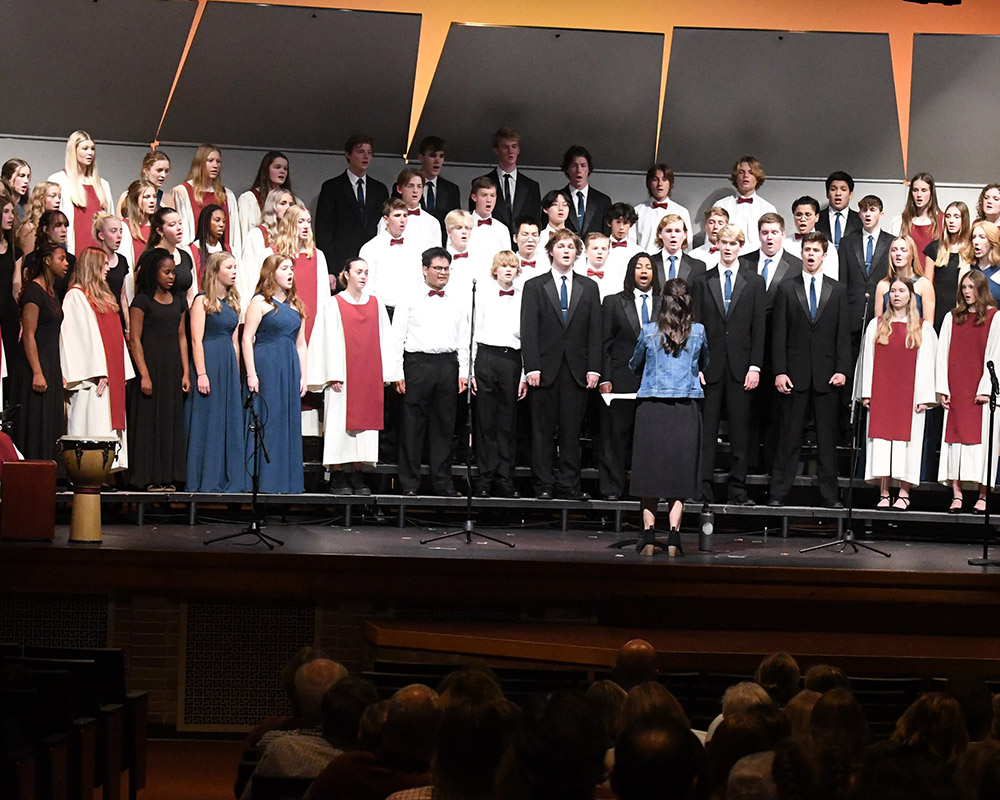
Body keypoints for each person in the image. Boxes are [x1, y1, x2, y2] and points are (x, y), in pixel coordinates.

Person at [769, 233, 852, 508]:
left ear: (824, 255)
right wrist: (779, 371)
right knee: (788, 437)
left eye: (816, 250)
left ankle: (830, 495)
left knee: (827, 440)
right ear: (802, 253)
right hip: (794, 374)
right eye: (807, 250)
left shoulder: (837, 290)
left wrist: (843, 369)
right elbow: (778, 334)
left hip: (828, 375)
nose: (811, 254)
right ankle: (778, 492)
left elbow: (843, 335)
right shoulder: (786, 288)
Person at [521, 229, 602, 500]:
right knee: (542, 431)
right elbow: (529, 329)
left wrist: (594, 367)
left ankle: (569, 485)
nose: (566, 251)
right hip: (544, 369)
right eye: (561, 246)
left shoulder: (589, 287)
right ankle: (543, 485)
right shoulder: (534, 286)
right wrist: (531, 366)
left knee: (571, 431)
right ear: (550, 251)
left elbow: (595, 331)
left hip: (577, 370)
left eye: (571, 247)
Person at [628, 278, 708, 555]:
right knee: (678, 475)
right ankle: (674, 538)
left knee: (649, 473)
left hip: (652, 408)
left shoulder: (649, 331)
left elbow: (635, 364)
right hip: (685, 409)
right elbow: (704, 362)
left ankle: (649, 537)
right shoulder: (697, 332)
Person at [307, 258, 399, 495]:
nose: (363, 276)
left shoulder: (375, 303)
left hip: (368, 374)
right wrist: (331, 373)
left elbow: (385, 338)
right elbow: (324, 339)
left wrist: (386, 373)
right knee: (339, 425)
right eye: (359, 272)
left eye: (366, 272)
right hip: (343, 376)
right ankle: (339, 474)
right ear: (346, 274)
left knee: (365, 431)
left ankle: (358, 474)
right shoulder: (333, 304)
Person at [696, 224, 766, 505]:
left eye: (733, 243)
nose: (727, 247)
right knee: (707, 430)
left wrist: (755, 367)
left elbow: (758, 328)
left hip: (741, 368)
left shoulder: (755, 281)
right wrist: (697, 365)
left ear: (740, 246)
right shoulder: (702, 281)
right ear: (717, 244)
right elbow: (696, 327)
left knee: (740, 431)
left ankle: (738, 489)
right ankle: (702, 487)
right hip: (710, 368)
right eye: (723, 242)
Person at [392, 248, 469, 497]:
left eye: (446, 269)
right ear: (425, 270)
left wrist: (464, 371)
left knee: (444, 426)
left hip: (448, 364)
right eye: (438, 268)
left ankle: (442, 481)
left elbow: (464, 338)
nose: (443, 273)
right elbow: (397, 337)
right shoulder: (410, 297)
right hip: (417, 363)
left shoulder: (458, 298)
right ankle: (409, 483)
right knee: (412, 425)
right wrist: (396, 372)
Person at [858, 277, 937, 510]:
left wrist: (924, 397)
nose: (896, 295)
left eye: (902, 291)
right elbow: (868, 360)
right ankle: (884, 491)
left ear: (910, 296)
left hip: (909, 395)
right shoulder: (877, 324)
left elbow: (927, 363)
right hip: (883, 392)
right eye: (893, 291)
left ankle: (903, 491)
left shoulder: (923, 327)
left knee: (906, 445)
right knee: (882, 442)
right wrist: (866, 392)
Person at [60, 246, 133, 472]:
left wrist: (119, 371)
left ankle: (101, 474)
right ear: (92, 267)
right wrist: (98, 370)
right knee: (89, 424)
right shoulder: (75, 296)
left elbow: (115, 336)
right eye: (103, 264)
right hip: (90, 379)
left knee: (103, 427)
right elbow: (77, 336)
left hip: (107, 376)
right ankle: (86, 473)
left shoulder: (104, 296)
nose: (108, 268)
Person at [243, 255, 308, 494]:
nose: (290, 272)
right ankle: (264, 481)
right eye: (284, 268)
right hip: (266, 366)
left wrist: (303, 375)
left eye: (291, 268)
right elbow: (247, 338)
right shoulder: (260, 303)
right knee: (266, 419)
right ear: (272, 273)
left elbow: (301, 344)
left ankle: (285, 481)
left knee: (285, 420)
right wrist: (251, 373)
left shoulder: (296, 306)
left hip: (289, 367)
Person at [937, 269, 1000, 514]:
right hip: (957, 387)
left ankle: (983, 494)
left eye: (972, 287)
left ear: (981, 290)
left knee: (982, 443)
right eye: (964, 287)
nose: (967, 292)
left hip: (980, 390)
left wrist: (987, 388)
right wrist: (942, 387)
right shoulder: (952, 317)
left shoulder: (994, 318)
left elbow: (996, 354)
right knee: (955, 441)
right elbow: (943, 354)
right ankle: (957, 493)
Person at [598, 253, 660, 501]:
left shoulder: (665, 302)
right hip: (621, 380)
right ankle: (612, 488)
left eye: (648, 267)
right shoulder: (613, 302)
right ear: (630, 271)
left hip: (654, 382)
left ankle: (645, 490)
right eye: (638, 266)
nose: (643, 270)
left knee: (649, 439)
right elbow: (603, 342)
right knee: (615, 436)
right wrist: (604, 377)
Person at [127, 248, 190, 490]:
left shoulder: (178, 301)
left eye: (173, 272)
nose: (172, 277)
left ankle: (167, 477)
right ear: (155, 273)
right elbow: (135, 340)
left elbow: (182, 337)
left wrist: (185, 372)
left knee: (168, 421)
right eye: (167, 272)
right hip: (150, 368)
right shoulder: (142, 301)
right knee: (148, 423)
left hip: (172, 368)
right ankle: (146, 478)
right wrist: (144, 374)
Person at [186, 252, 247, 493]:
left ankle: (228, 478)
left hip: (228, 365)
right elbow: (195, 339)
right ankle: (205, 478)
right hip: (209, 360)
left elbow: (235, 343)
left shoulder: (232, 303)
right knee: (207, 418)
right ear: (216, 271)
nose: (234, 271)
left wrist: (238, 373)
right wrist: (201, 373)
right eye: (229, 267)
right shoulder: (201, 301)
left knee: (227, 418)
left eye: (235, 267)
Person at [471, 251, 527, 498]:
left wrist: (524, 374)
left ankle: (505, 477)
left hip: (511, 359)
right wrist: (471, 369)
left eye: (512, 266)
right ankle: (485, 477)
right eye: (503, 266)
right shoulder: (482, 294)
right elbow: (473, 332)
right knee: (486, 421)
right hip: (486, 357)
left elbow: (527, 338)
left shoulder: (524, 297)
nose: (508, 270)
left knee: (508, 421)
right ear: (495, 269)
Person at [10, 241, 68, 462]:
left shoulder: (52, 292)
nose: (65, 263)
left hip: (49, 364)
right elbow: (28, 333)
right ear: (46, 261)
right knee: (35, 421)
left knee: (50, 422)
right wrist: (37, 371)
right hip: (33, 366)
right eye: (60, 258)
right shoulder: (34, 291)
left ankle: (49, 474)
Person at [315, 133, 389, 281]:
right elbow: (324, 230)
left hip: (372, 263)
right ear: (348, 154)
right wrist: (329, 268)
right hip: (341, 263)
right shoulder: (332, 187)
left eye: (369, 153)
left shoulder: (379, 189)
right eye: (360, 152)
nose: (366, 157)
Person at [841, 195, 893, 353]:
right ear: (859, 214)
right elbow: (843, 279)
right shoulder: (847, 242)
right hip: (852, 311)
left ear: (881, 213)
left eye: (872, 210)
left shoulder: (892, 242)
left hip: (881, 309)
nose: (868, 214)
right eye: (864, 210)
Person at [271, 204, 330, 344]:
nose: (306, 226)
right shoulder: (272, 254)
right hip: (281, 319)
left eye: (308, 221)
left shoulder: (317, 256)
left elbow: (324, 295)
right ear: (290, 223)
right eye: (301, 221)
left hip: (311, 319)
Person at [48, 130, 112, 255]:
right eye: (85, 148)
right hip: (71, 251)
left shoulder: (103, 185)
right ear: (74, 150)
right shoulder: (59, 180)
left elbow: (110, 221)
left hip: (98, 254)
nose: (90, 153)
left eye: (92, 149)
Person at [170, 143, 241, 254]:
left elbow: (234, 235)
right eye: (210, 160)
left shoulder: (227, 195)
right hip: (195, 256)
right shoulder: (183, 192)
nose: (215, 165)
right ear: (200, 163)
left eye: (218, 161)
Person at [470, 127, 542, 232]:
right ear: (496, 150)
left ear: (518, 150)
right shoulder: (480, 183)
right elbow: (475, 217)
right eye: (505, 147)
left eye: (514, 146)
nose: (510, 151)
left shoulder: (531, 186)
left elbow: (535, 221)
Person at [359, 199, 421, 314]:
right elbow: (366, 285)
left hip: (410, 311)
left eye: (405, 215)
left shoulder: (414, 248)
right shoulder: (370, 248)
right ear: (386, 219)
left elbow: (419, 281)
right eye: (397, 215)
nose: (402, 220)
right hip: (383, 310)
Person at [239, 187, 295, 305]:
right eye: (283, 204)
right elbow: (249, 273)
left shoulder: (294, 236)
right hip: (265, 299)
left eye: (291, 204)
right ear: (272, 207)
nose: (288, 208)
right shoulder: (257, 235)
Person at [925, 201, 973, 332]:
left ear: (964, 220)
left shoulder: (972, 249)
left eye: (956, 217)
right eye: (948, 216)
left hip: (963, 308)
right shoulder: (934, 248)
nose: (951, 221)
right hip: (939, 308)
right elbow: (927, 285)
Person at [715, 156, 776, 254]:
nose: (745, 176)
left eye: (751, 173)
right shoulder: (722, 205)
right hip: (729, 258)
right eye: (741, 172)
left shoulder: (768, 208)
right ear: (736, 177)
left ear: (757, 178)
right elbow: (714, 238)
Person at [874, 235, 935, 326]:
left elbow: (929, 324)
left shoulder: (924, 285)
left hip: (915, 337)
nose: (898, 254)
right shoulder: (883, 285)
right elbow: (877, 323)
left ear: (912, 254)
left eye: (903, 250)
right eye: (894, 250)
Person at [143, 207, 197, 307]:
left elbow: (190, 295)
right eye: (172, 225)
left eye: (180, 223)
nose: (179, 228)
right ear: (159, 231)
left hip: (184, 316)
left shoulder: (185, 256)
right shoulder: (150, 257)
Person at [633, 163, 692, 252]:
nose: (660, 184)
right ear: (649, 183)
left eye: (664, 180)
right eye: (655, 180)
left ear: (670, 183)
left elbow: (687, 245)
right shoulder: (637, 211)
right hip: (645, 263)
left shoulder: (681, 212)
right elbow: (631, 243)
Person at [237, 150, 292, 241]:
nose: (282, 171)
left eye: (285, 168)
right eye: (277, 167)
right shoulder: (249, 199)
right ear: (267, 170)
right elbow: (245, 233)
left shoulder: (293, 201)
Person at [383, 167, 441, 251]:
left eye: (419, 186)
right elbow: (381, 249)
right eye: (410, 186)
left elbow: (437, 256)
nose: (415, 190)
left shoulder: (432, 222)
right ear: (399, 189)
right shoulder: (388, 219)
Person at [560, 145, 612, 237]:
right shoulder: (558, 198)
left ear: (589, 169)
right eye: (574, 166)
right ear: (567, 169)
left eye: (583, 166)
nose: (579, 170)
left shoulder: (603, 200)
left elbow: (607, 235)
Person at [889, 172, 943, 258]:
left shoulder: (943, 221)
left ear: (931, 193)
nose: (919, 195)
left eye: (924, 190)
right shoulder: (899, 221)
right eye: (915, 190)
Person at [118, 179, 158, 295]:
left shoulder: (158, 227)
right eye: (146, 197)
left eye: (154, 196)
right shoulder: (125, 227)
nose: (152, 201)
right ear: (135, 199)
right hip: (136, 292)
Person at [92, 212, 129, 332]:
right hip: (101, 319)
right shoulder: (93, 261)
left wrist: (128, 326)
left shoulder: (122, 261)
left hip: (118, 319)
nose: (119, 236)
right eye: (114, 231)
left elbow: (123, 296)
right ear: (101, 235)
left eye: (120, 231)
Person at [415, 135, 461, 229]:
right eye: (432, 156)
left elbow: (455, 224)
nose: (437, 160)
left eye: (441, 156)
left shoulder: (452, 190)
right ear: (421, 157)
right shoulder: (405, 186)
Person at [651, 215, 707, 288]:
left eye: (677, 231)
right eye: (668, 231)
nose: (673, 235)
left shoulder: (698, 266)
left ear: (685, 235)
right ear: (660, 234)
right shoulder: (650, 263)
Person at [0, 195, 23, 364]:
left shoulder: (15, 250)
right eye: (6, 212)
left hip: (8, 312)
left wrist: (21, 317)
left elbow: (17, 286)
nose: (11, 217)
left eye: (12, 212)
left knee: (10, 361)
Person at [114, 150, 171, 215]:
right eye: (159, 170)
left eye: (166, 171)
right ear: (146, 171)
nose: (163, 175)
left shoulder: (167, 198)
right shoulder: (127, 195)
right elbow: (121, 222)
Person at [816, 170, 862, 252]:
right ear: (827, 193)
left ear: (850, 194)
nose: (838, 193)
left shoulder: (860, 219)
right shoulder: (816, 218)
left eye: (843, 189)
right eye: (833, 189)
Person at [467, 177, 511, 260]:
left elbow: (507, 261)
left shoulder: (502, 229)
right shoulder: (462, 226)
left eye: (492, 195)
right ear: (474, 197)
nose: (489, 200)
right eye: (484, 195)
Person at [16, 180, 61, 256]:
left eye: (59, 197)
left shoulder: (59, 227)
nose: (58, 200)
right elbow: (27, 261)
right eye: (53, 196)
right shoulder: (30, 229)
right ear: (41, 198)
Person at [190, 203, 228, 286]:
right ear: (206, 222)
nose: (221, 225)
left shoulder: (229, 251)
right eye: (217, 220)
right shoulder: (192, 250)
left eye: (224, 221)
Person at [783, 196, 822, 265]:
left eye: (808, 215)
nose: (803, 219)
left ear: (817, 217)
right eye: (798, 215)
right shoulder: (784, 244)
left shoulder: (825, 245)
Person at [971, 220, 1000, 303]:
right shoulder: (966, 270)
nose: (976, 242)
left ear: (992, 241)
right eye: (974, 237)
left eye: (982, 237)